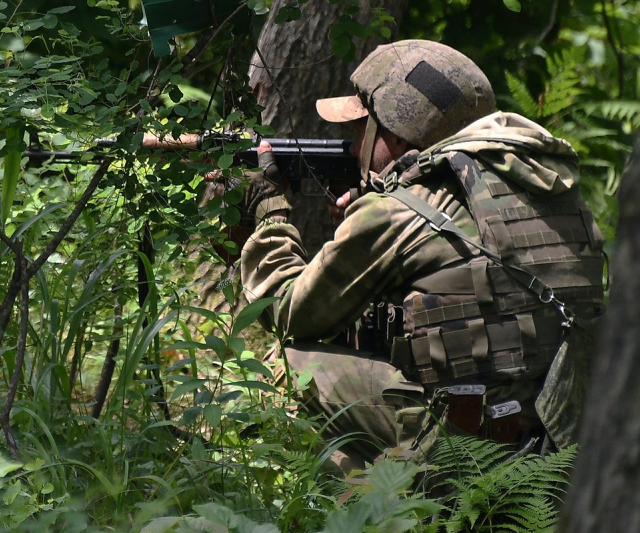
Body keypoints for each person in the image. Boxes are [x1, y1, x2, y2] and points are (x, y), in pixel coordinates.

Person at [239, 40, 605, 468]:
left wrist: (269, 215)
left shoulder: (397, 212)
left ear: (393, 133)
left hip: (470, 451)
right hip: (562, 444)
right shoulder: (552, 192)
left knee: (288, 366)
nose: (356, 147)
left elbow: (287, 309)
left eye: (362, 129)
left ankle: (371, 506)